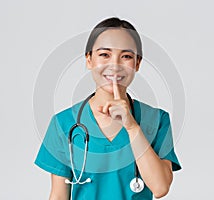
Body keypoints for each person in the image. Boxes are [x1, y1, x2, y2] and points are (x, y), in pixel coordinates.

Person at [34, 17, 181, 200]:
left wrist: (132, 126)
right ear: (89, 60)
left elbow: (160, 188)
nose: (115, 64)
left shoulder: (156, 120)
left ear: (137, 63)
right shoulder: (63, 123)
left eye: (126, 56)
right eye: (104, 55)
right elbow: (58, 196)